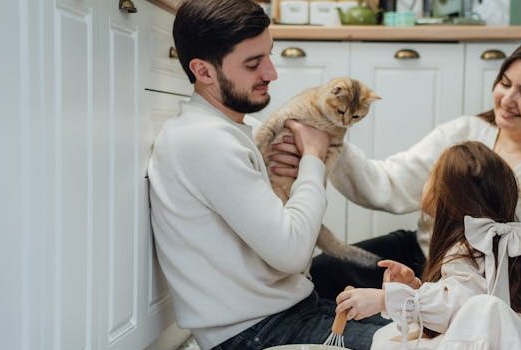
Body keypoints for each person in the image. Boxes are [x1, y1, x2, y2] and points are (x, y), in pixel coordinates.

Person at [270, 37, 521, 335]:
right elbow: (388, 182)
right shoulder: (465, 132)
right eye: (504, 83)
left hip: (488, 288)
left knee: (407, 327)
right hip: (424, 256)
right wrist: (326, 141)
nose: (507, 99)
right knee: (323, 273)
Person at [147, 1, 388, 349]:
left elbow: (296, 246)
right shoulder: (202, 142)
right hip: (256, 332)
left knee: (425, 328)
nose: (272, 73)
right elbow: (292, 252)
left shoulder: (242, 131)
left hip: (289, 310)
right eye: (252, 63)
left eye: (269, 55)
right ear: (204, 71)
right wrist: (314, 158)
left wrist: (309, 167)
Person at [334, 141, 521, 349]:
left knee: (390, 342)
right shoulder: (481, 244)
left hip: (488, 328)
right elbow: (457, 294)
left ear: (448, 197)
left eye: (432, 175)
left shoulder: (466, 248)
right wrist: (415, 289)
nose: (425, 183)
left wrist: (386, 299)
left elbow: (460, 304)